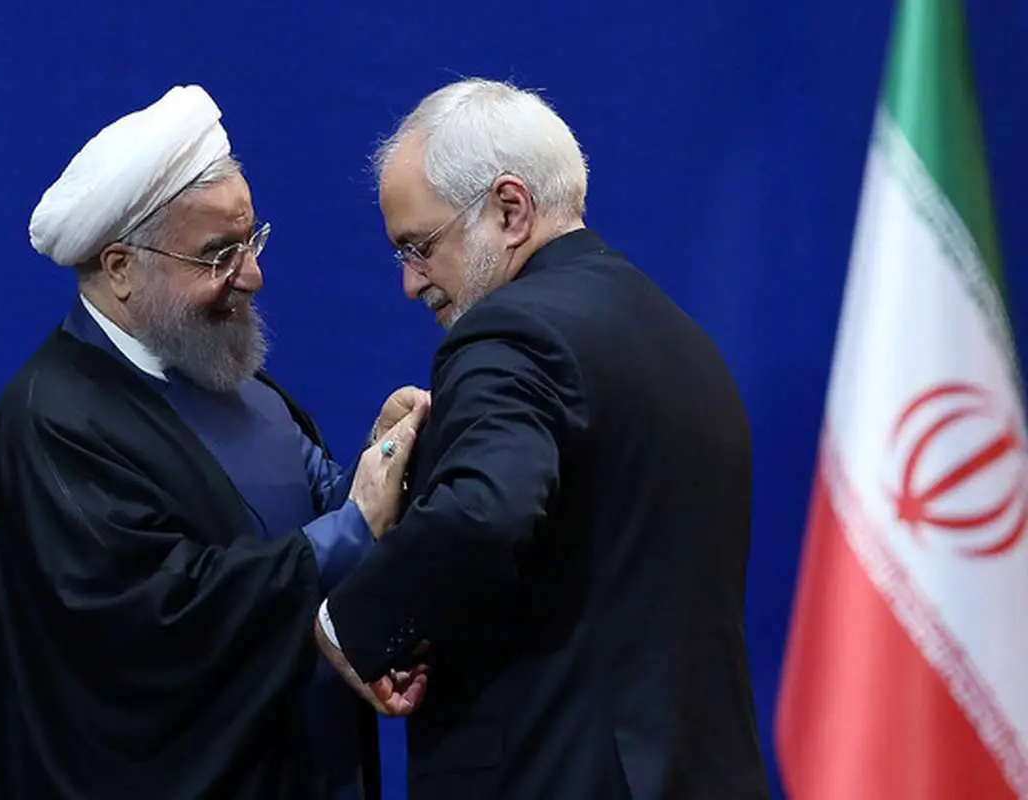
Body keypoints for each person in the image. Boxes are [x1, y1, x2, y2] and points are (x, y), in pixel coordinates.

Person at [0, 84, 427, 800]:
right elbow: (159, 625)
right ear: (120, 268)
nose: (253, 276)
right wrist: (353, 530)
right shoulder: (50, 424)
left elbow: (320, 503)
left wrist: (383, 462)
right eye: (218, 255)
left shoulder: (235, 383)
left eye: (251, 241)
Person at [315, 78, 770, 799]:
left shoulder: (510, 332)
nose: (410, 283)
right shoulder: (682, 340)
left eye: (419, 247)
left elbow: (481, 513)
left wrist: (350, 622)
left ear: (510, 209)